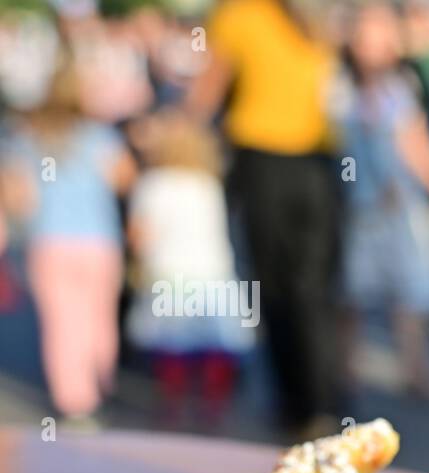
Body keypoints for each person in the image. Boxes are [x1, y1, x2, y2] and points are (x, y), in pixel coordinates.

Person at [187, 0, 343, 437]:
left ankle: (297, 401)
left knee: (275, 284)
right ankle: (321, 401)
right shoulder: (317, 17)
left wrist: (177, 132)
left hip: (264, 162)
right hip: (318, 163)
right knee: (313, 287)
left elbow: (208, 88)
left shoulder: (238, 15)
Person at [0, 54, 134, 424]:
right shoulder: (99, 136)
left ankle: (75, 399)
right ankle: (101, 380)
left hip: (50, 242)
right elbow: (123, 178)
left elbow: (18, 197)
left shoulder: (24, 139)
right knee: (99, 315)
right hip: (99, 240)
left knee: (62, 322)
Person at [335, 0, 429, 399]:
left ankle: (415, 367)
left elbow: (416, 147)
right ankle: (345, 369)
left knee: (410, 298)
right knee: (351, 295)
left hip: (399, 208)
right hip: (357, 208)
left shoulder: (401, 88)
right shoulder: (338, 85)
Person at [125, 110, 252, 427]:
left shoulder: (152, 184)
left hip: (170, 274)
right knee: (215, 346)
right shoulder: (208, 184)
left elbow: (141, 234)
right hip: (212, 272)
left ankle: (173, 409)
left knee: (173, 348)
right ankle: (213, 409)